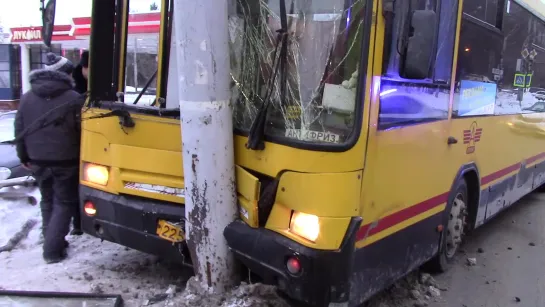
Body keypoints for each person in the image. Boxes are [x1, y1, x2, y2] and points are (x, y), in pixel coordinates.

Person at [14, 53, 84, 263]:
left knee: (48, 200)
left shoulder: (27, 97)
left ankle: (51, 239)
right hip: (66, 160)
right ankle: (52, 249)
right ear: (65, 74)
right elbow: (82, 130)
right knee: (64, 202)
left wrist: (24, 156)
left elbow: (20, 129)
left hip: (37, 160)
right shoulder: (74, 98)